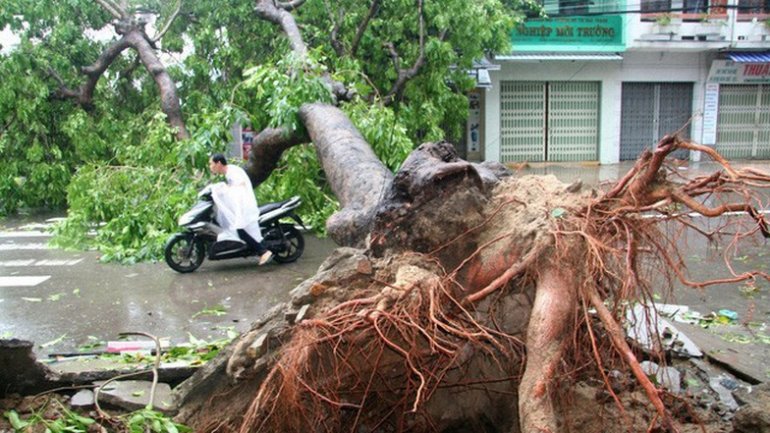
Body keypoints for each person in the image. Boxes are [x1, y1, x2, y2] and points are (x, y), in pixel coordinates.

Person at [208, 153, 273, 265]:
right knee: (243, 230)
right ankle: (261, 249)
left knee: (239, 230)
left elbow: (240, 186)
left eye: (211, 163)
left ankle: (264, 252)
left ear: (218, 163)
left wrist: (223, 189)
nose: (210, 166)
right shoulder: (230, 171)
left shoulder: (232, 172)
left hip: (244, 207)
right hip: (241, 206)